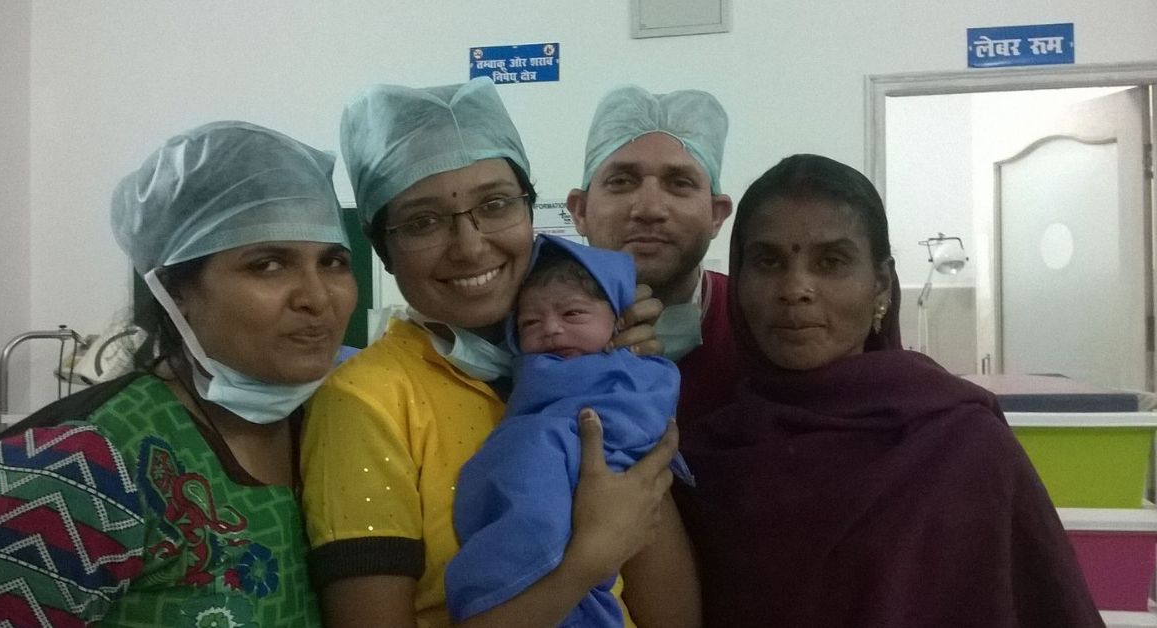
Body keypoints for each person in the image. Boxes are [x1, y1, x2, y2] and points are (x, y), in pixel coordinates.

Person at [302, 78, 690, 628]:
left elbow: (669, 609)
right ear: (380, 246)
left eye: (495, 203)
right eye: (422, 221)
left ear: (530, 209)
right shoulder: (365, 403)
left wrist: (621, 376)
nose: (470, 245)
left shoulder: (583, 361)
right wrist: (584, 564)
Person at [672, 154, 1103, 627]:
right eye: (768, 261)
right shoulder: (706, 456)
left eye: (831, 262)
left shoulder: (963, 445)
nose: (795, 288)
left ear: (880, 284)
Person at [0, 121, 356, 625]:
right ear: (176, 292)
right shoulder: (74, 475)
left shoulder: (338, 425)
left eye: (334, 262)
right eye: (268, 265)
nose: (317, 297)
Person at [446, 234, 697, 627]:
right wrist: (587, 560)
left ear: (619, 321)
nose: (551, 330)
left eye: (573, 315)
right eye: (529, 322)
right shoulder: (512, 378)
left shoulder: (635, 368)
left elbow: (641, 420)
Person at [566, 85, 742, 425]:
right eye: (621, 181)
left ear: (716, 214)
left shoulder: (755, 324)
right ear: (580, 211)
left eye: (679, 183)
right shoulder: (537, 329)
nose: (648, 209)